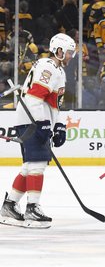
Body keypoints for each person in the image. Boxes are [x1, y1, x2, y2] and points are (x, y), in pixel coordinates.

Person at [0, 33, 76, 228]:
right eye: (68, 53)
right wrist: (42, 123)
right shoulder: (46, 67)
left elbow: (54, 104)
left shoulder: (59, 70)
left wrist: (58, 126)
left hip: (35, 120)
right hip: (31, 121)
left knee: (29, 166)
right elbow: (35, 97)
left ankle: (9, 206)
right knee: (37, 165)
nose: (70, 56)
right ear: (58, 51)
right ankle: (32, 208)